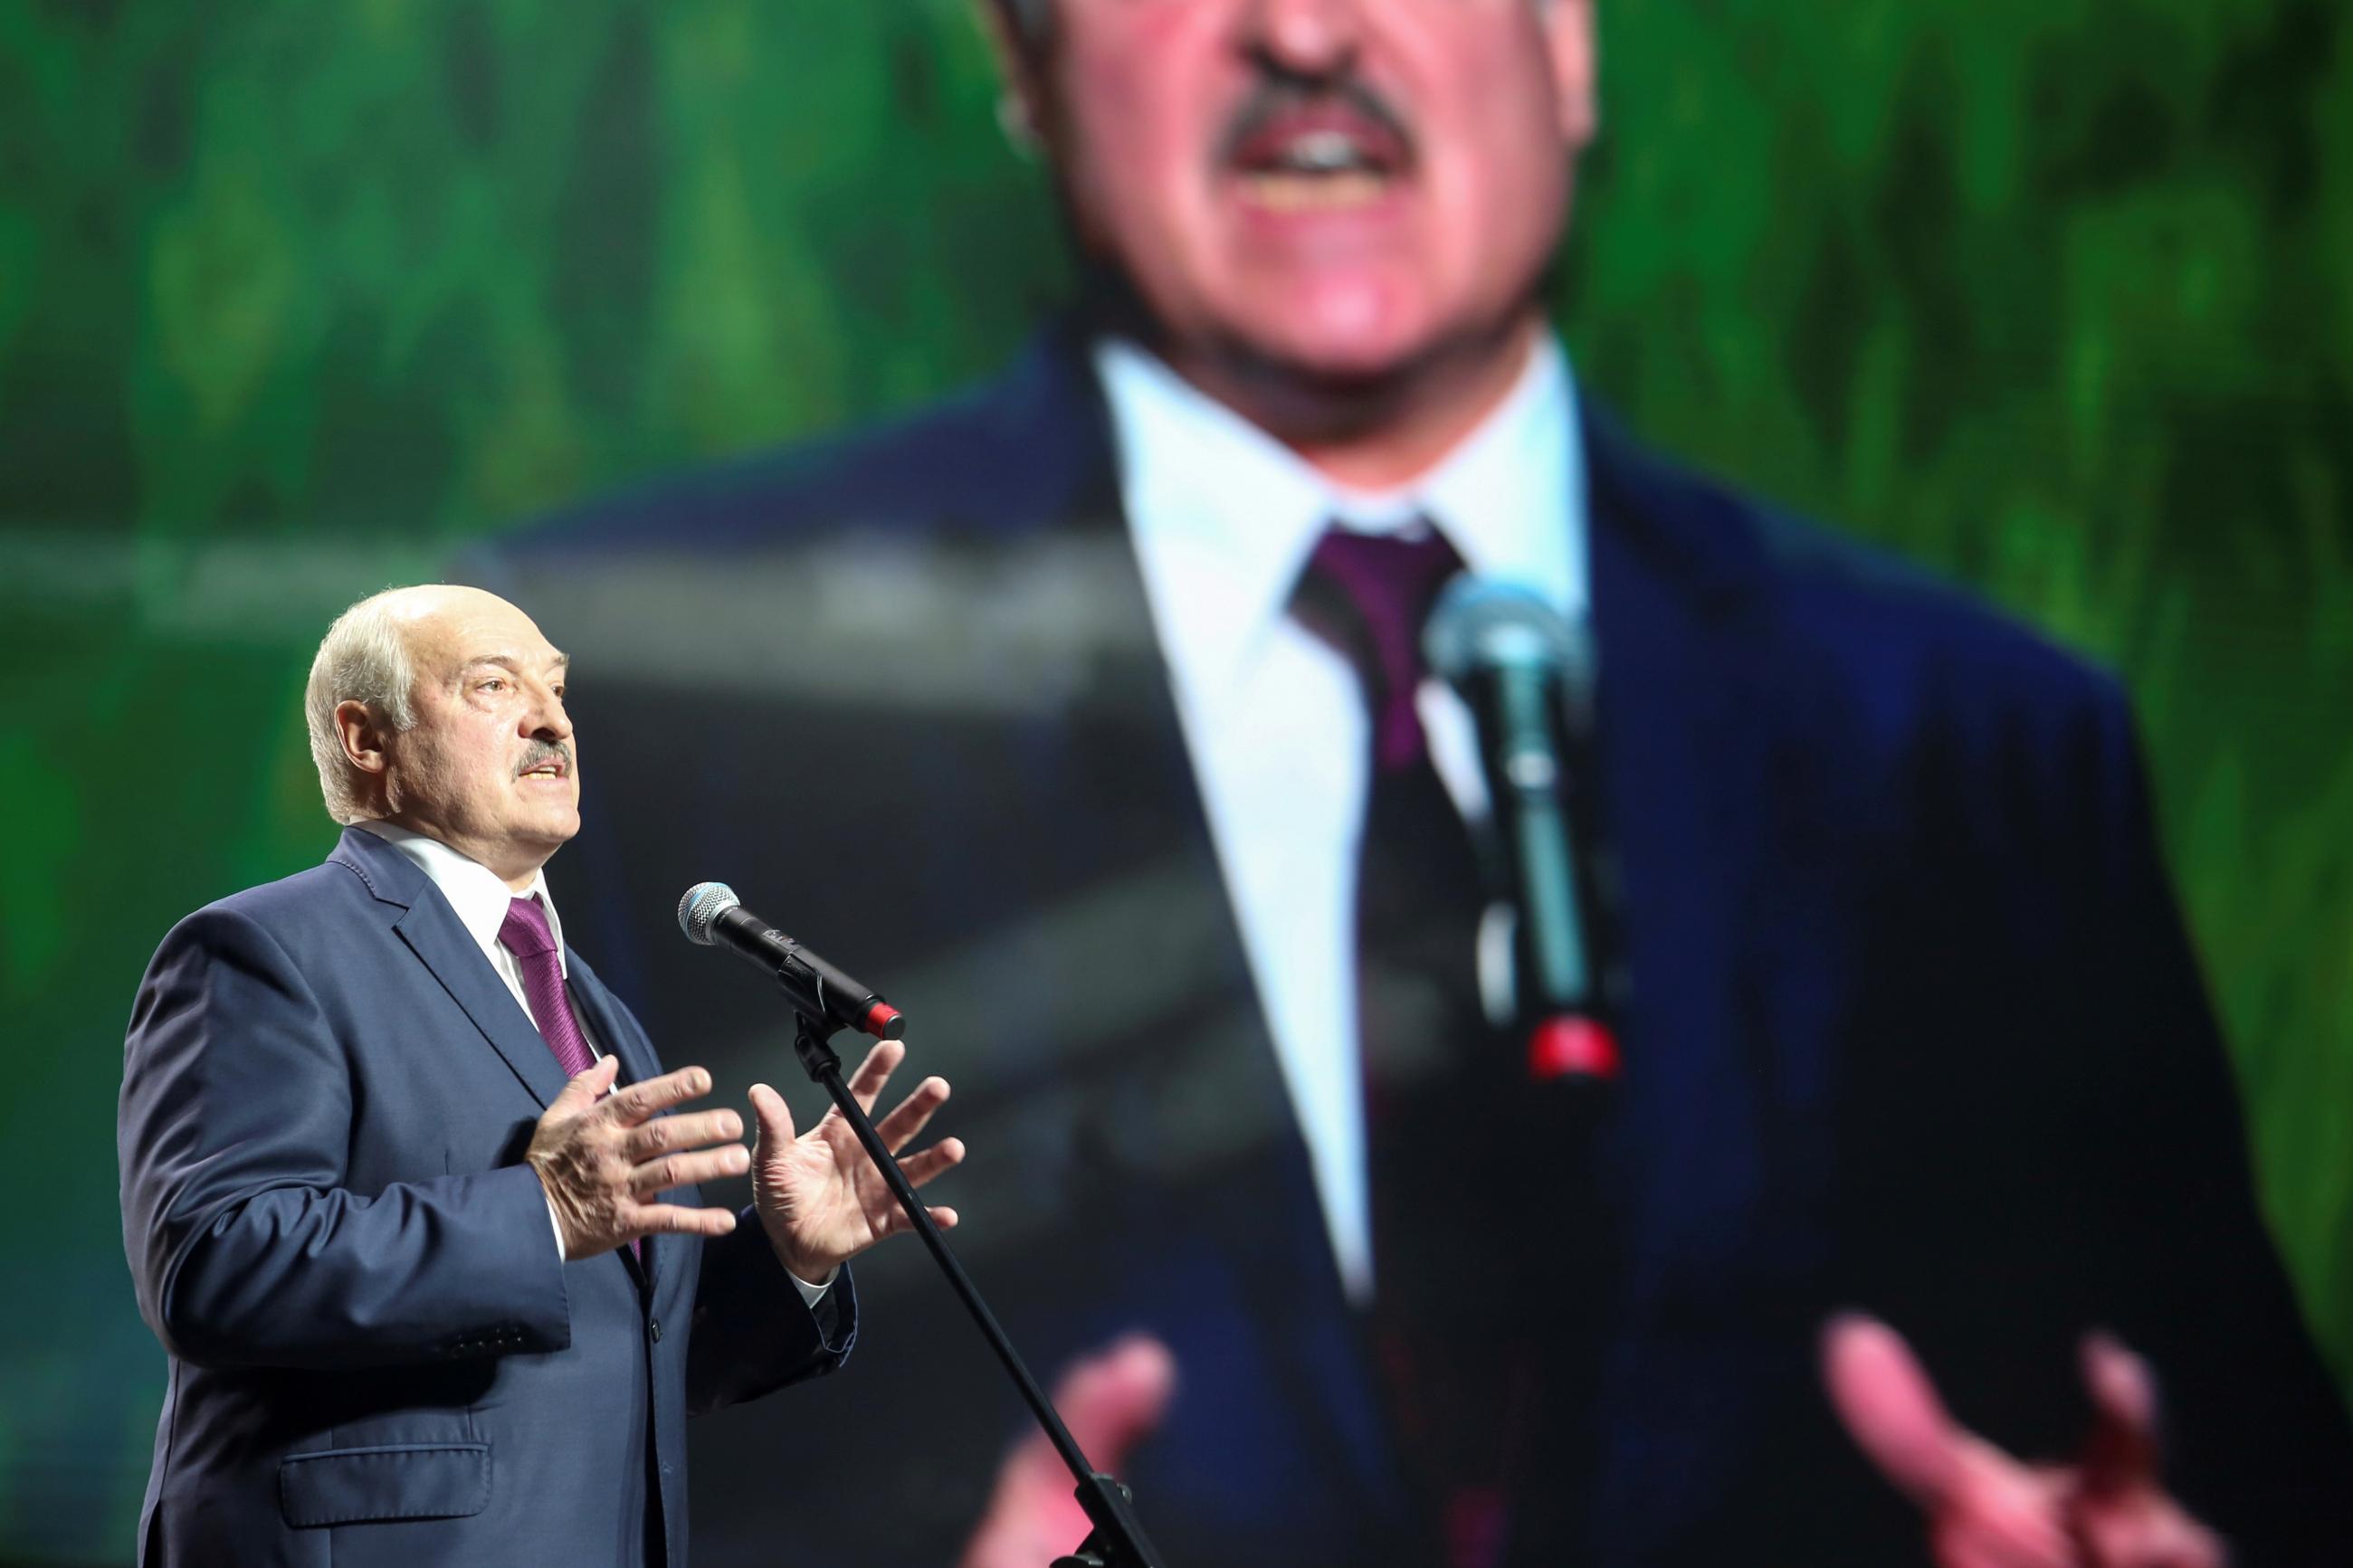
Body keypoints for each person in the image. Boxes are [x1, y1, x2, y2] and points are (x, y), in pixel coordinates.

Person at [478, 1, 2353, 1563]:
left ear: (1573, 38)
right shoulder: (626, 708)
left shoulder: (1981, 749)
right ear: (1022, 56)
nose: (1304, 29)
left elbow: (2247, 1479)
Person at [117, 584, 966, 1567]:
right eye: (493, 683)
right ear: (365, 737)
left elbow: (627, 1349)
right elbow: (213, 1264)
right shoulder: (264, 950)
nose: (551, 716)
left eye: (558, 687)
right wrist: (542, 1212)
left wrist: (786, 1257)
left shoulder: (590, 1005)